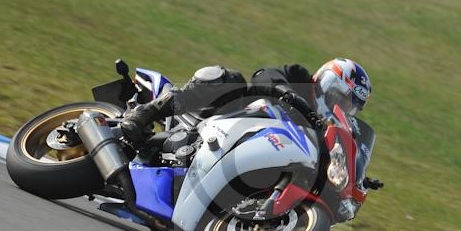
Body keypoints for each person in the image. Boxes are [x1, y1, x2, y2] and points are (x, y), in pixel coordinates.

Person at [120, 58, 372, 142]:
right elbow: (263, 76)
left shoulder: (322, 132)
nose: (339, 107)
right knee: (232, 79)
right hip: (229, 118)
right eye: (339, 97)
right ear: (325, 82)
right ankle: (148, 111)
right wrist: (286, 92)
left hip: (260, 147)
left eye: (347, 106)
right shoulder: (298, 77)